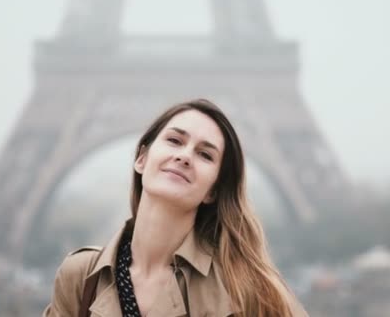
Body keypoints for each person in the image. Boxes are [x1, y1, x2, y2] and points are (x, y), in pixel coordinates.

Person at [43, 98, 307, 316]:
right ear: (142, 158)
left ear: (213, 190)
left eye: (205, 154)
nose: (184, 156)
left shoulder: (248, 290)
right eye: (174, 141)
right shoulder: (80, 276)